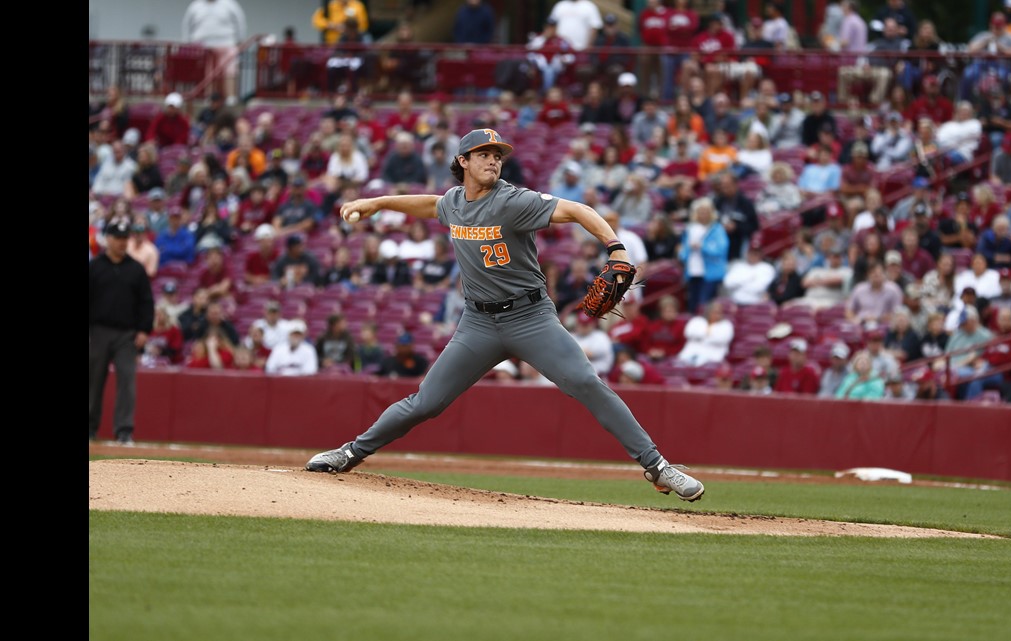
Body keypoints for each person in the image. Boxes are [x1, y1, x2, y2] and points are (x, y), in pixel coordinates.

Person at [304, 128, 706, 501]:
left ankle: (657, 466)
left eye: (498, 155)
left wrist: (615, 246)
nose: (493, 161)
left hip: (530, 318)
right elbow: (430, 204)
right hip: (478, 323)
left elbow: (579, 210)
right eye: (484, 154)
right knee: (426, 402)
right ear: (463, 161)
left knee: (585, 381)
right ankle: (350, 453)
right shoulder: (455, 203)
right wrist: (377, 202)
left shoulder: (514, 201)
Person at [89, 218, 154, 444]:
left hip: (127, 334)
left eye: (125, 238)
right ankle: (90, 428)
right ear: (108, 239)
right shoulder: (95, 267)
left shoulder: (136, 270)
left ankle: (124, 430)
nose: (122, 243)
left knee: (127, 380)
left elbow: (146, 302)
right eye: (118, 238)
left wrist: (144, 330)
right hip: (98, 332)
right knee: (93, 381)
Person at [182, 0, 246, 100]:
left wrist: (239, 40)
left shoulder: (230, 4)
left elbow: (240, 22)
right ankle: (209, 97)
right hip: (203, 46)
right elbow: (187, 25)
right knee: (207, 73)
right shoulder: (195, 5)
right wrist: (188, 42)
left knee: (230, 72)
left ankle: (231, 98)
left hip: (226, 43)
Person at [676, 299, 734, 367]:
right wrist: (707, 335)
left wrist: (701, 337)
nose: (716, 314)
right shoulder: (697, 320)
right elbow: (688, 333)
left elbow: (722, 339)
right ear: (708, 312)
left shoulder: (726, 324)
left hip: (714, 353)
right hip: (692, 350)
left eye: (718, 312)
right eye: (713, 312)